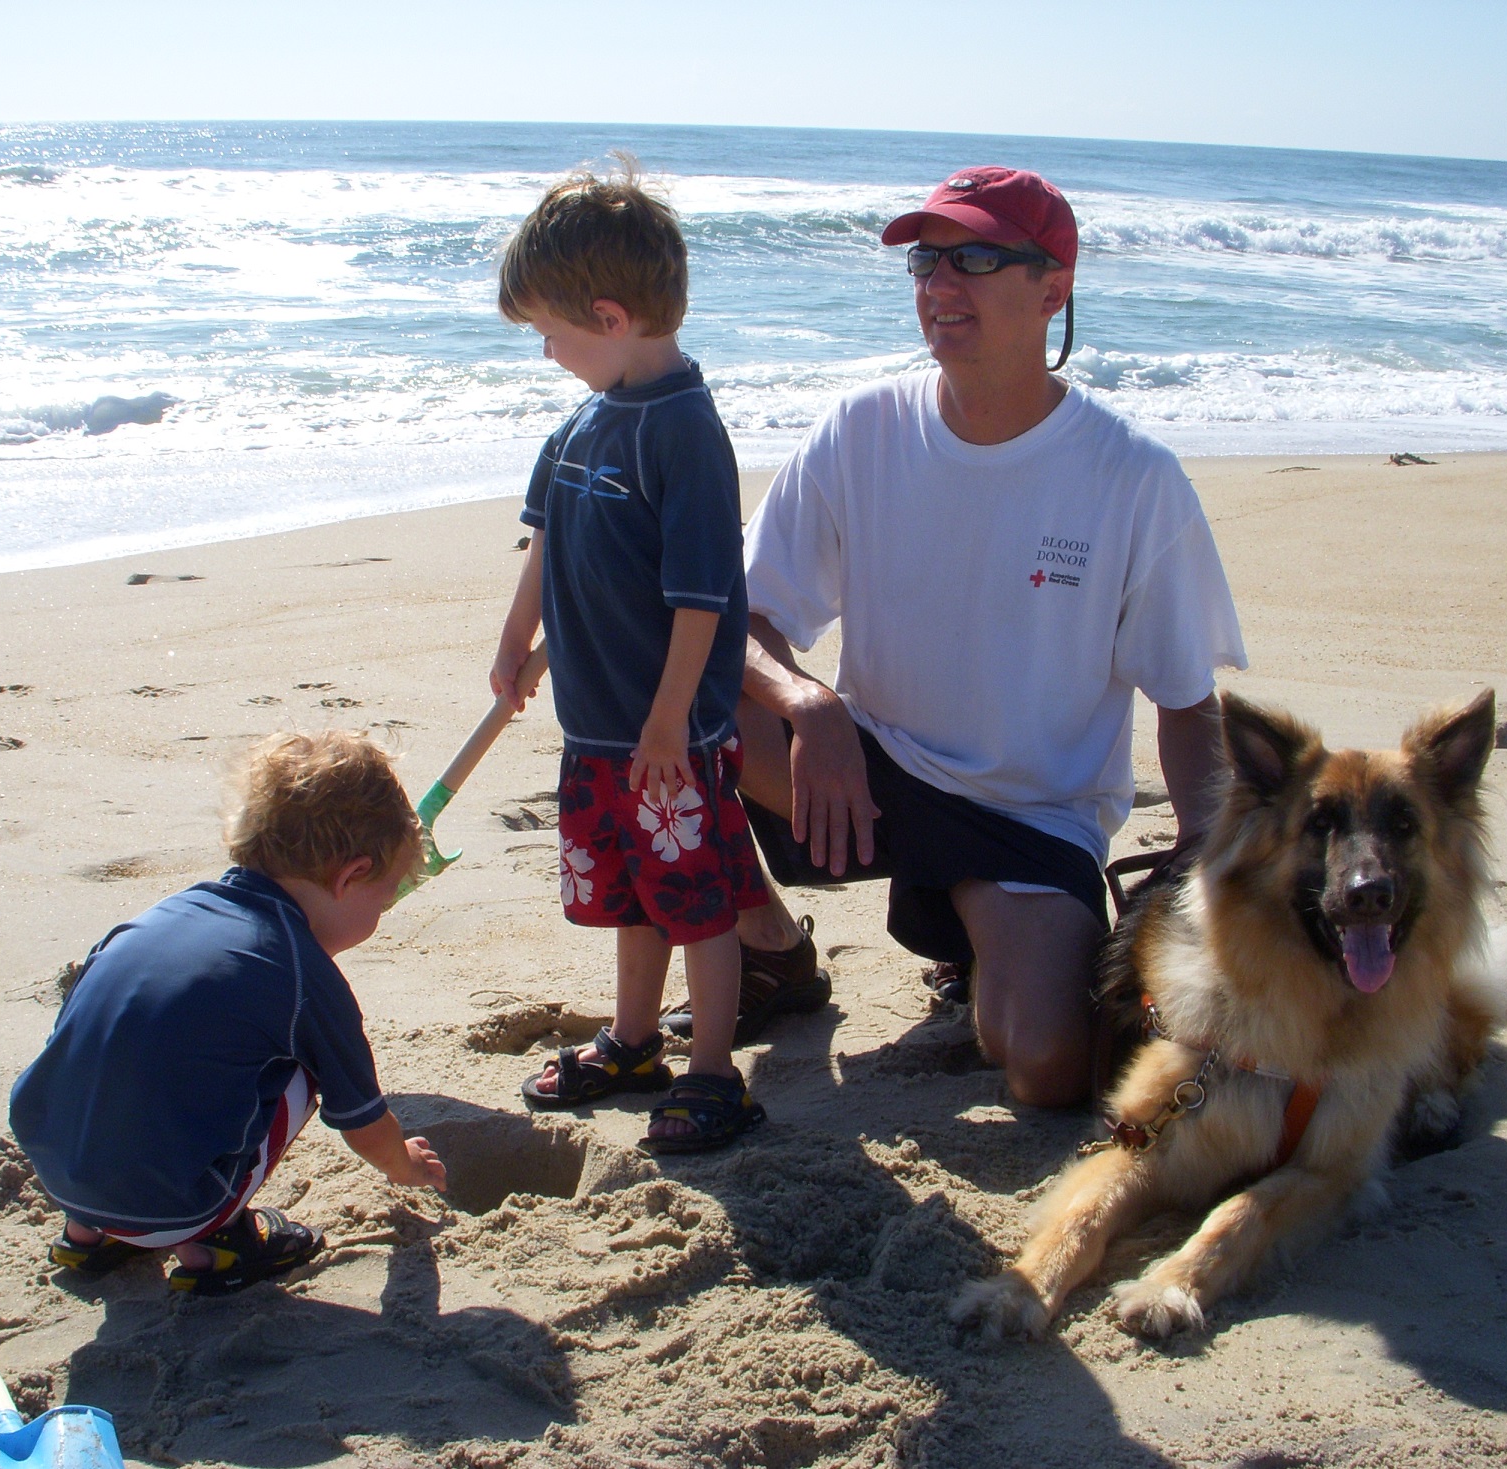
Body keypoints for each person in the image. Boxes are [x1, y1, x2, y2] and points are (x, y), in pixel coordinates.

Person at [720, 166, 1246, 1109]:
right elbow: (741, 617)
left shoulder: (1131, 475)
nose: (938, 284)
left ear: (1052, 288)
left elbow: (1184, 700)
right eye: (926, 261)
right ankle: (769, 948)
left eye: (974, 258)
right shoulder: (861, 427)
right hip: (870, 778)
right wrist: (809, 703)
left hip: (1029, 820)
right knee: (678, 688)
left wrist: (1206, 854)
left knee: (1045, 1066)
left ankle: (977, 928)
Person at [491, 163, 779, 1151]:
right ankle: (633, 1038)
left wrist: (668, 722)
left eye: (551, 332)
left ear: (609, 318)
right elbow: (548, 542)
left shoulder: (684, 433)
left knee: (697, 902)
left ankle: (714, 1071)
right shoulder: (582, 422)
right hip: (596, 724)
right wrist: (520, 644)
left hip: (668, 735)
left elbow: (701, 597)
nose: (546, 350)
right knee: (632, 894)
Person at [9, 730, 447, 1295]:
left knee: (138, 1053)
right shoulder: (302, 971)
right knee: (305, 1061)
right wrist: (405, 1165)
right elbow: (362, 1123)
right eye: (382, 901)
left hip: (57, 1169)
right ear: (349, 877)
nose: (379, 917)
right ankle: (214, 1241)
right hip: (175, 1206)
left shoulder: (160, 917)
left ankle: (88, 1235)